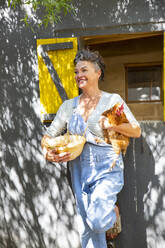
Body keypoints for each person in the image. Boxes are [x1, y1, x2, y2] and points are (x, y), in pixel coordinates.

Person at [41, 49, 141, 248]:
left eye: (84, 70)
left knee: (96, 219)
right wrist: (48, 153)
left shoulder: (112, 101)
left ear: (98, 73)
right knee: (86, 227)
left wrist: (112, 125)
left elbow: (136, 130)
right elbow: (49, 135)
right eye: (76, 72)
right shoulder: (69, 106)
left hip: (107, 168)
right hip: (78, 170)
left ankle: (112, 211)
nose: (79, 75)